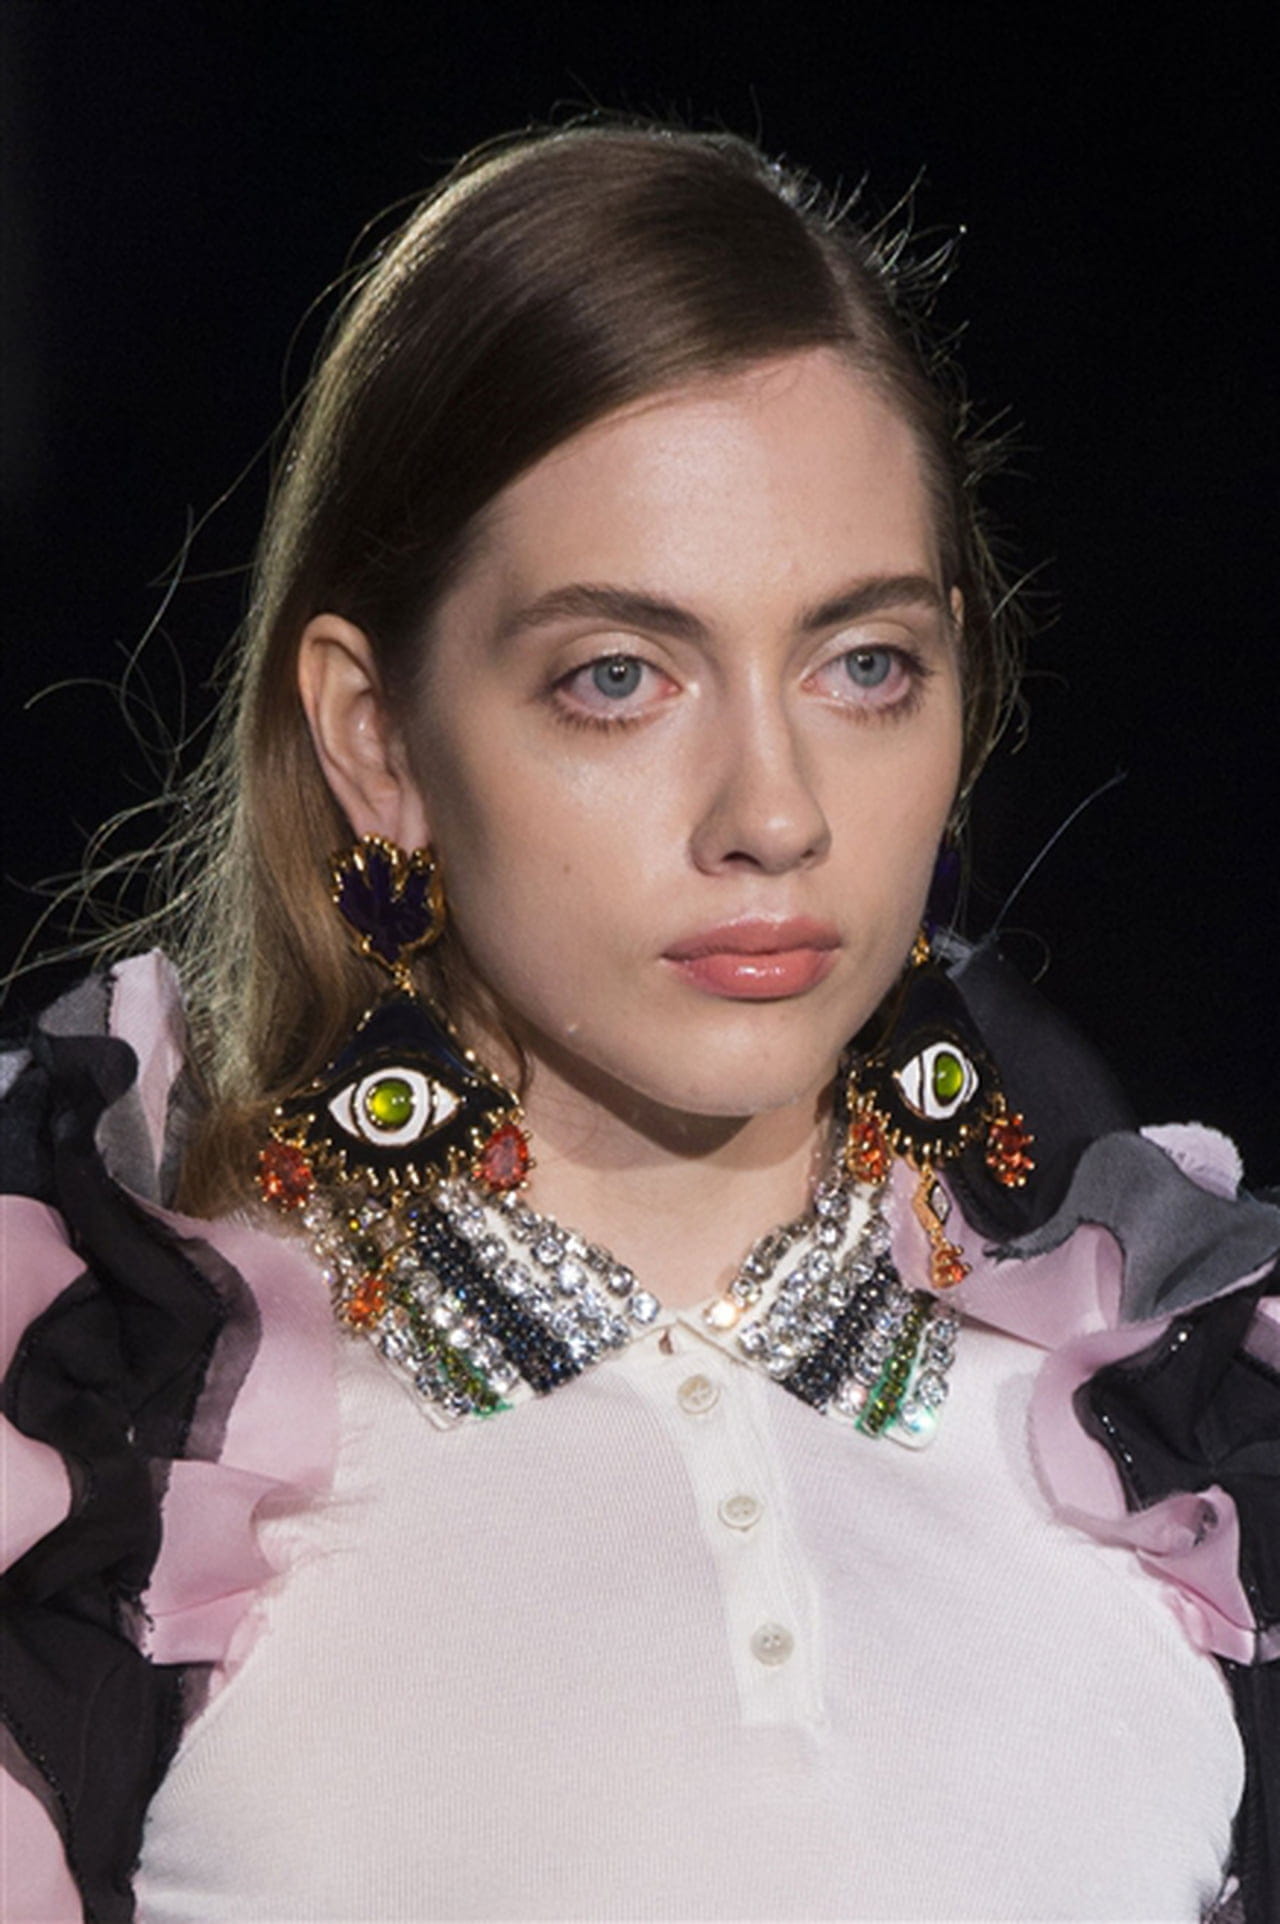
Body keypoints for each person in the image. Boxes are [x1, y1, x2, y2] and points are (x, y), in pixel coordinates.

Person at [2, 120, 1276, 1924]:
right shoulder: (105, 1452)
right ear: (376, 738)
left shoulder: (1187, 1439)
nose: (775, 811)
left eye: (863, 667)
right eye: (619, 677)